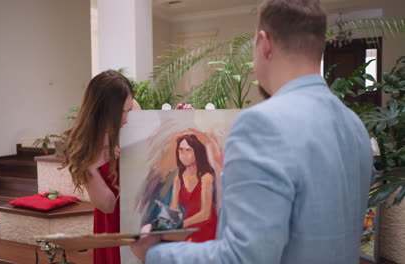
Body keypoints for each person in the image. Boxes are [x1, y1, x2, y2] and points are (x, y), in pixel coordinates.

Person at [130, 0, 373, 263]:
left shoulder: (262, 124)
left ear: (264, 42)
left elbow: (242, 258)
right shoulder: (354, 126)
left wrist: (155, 253)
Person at [63, 70, 139, 264]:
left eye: (129, 110)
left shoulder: (133, 112)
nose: (127, 119)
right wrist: (91, 168)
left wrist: (179, 118)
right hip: (114, 221)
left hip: (140, 211)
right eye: (121, 112)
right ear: (102, 110)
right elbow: (107, 205)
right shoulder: (87, 143)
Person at [170, 133, 217, 242]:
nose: (183, 154)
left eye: (188, 150)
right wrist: (169, 220)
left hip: (207, 225)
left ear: (197, 152)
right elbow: (174, 206)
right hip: (188, 225)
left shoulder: (206, 177)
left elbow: (205, 214)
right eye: (180, 150)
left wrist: (181, 225)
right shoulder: (178, 178)